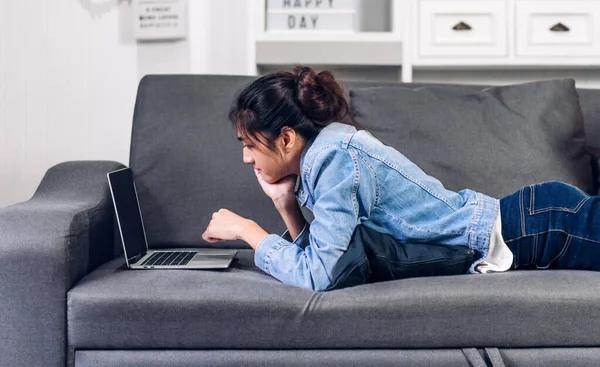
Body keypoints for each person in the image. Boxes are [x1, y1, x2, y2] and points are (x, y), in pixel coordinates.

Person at [201, 65, 600, 292]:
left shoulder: (334, 160)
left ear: (286, 138)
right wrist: (285, 204)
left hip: (541, 226)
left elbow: (317, 276)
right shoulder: (326, 156)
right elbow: (321, 260)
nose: (245, 156)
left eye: (249, 144)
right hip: (531, 225)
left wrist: (249, 231)